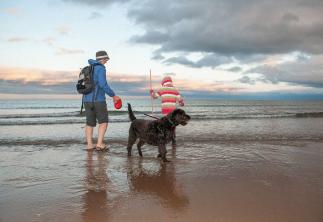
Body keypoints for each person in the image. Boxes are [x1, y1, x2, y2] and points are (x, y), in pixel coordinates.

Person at [83, 50, 120, 151]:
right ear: (102, 59)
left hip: (86, 100)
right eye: (106, 59)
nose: (107, 61)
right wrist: (113, 95)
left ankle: (90, 145)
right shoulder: (101, 68)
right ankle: (100, 144)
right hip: (98, 100)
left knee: (89, 123)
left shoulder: (88, 68)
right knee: (103, 122)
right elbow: (103, 84)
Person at [149, 75, 184, 147]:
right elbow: (180, 101)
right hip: (173, 112)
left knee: (166, 125)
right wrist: (181, 103)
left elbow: (155, 96)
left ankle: (165, 138)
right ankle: (173, 139)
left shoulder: (162, 89)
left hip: (166, 111)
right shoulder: (175, 90)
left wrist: (152, 92)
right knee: (173, 125)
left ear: (164, 82)